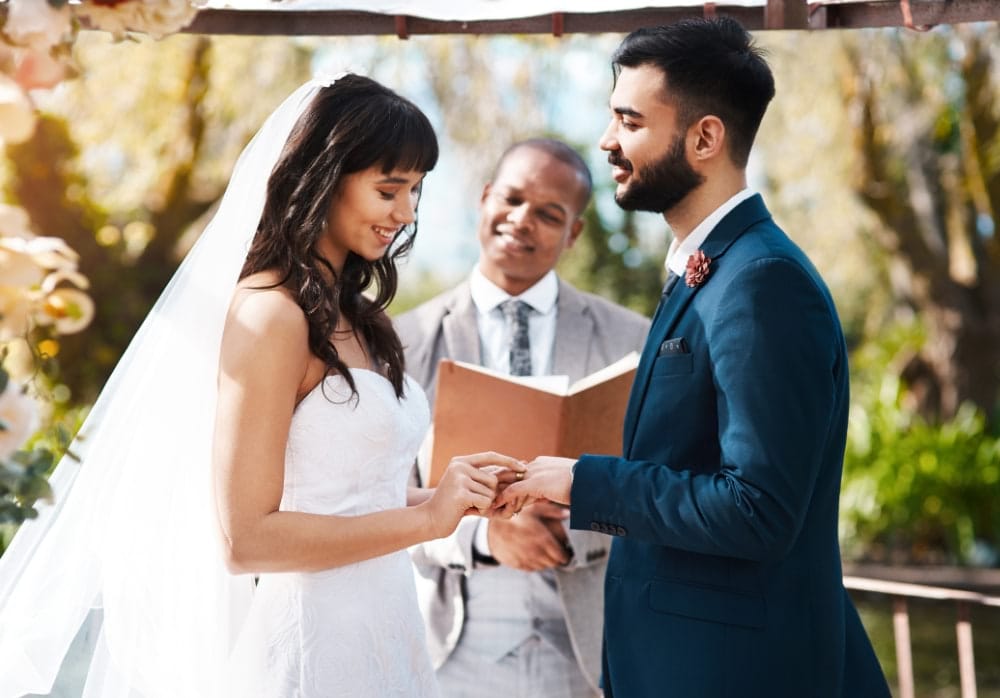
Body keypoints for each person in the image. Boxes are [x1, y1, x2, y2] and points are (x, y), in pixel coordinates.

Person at [0, 74, 521, 698]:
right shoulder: (269, 315)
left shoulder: (361, 316)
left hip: (389, 633)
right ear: (325, 176)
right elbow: (244, 539)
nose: (406, 214)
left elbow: (346, 497)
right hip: (311, 652)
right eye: (389, 189)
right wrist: (428, 521)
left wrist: (454, 498)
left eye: (415, 190)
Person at [498, 19, 892, 698]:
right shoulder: (710, 270)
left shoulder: (763, 281)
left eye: (629, 121)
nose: (606, 141)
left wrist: (583, 483)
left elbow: (758, 508)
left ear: (705, 138)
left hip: (733, 674)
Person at [396, 138, 650, 698]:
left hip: (587, 651)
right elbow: (379, 501)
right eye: (510, 199)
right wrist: (485, 536)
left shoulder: (632, 339)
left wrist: (581, 522)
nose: (521, 220)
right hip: (447, 649)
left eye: (548, 213)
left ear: (574, 233)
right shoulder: (404, 341)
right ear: (485, 199)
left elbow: (654, 485)